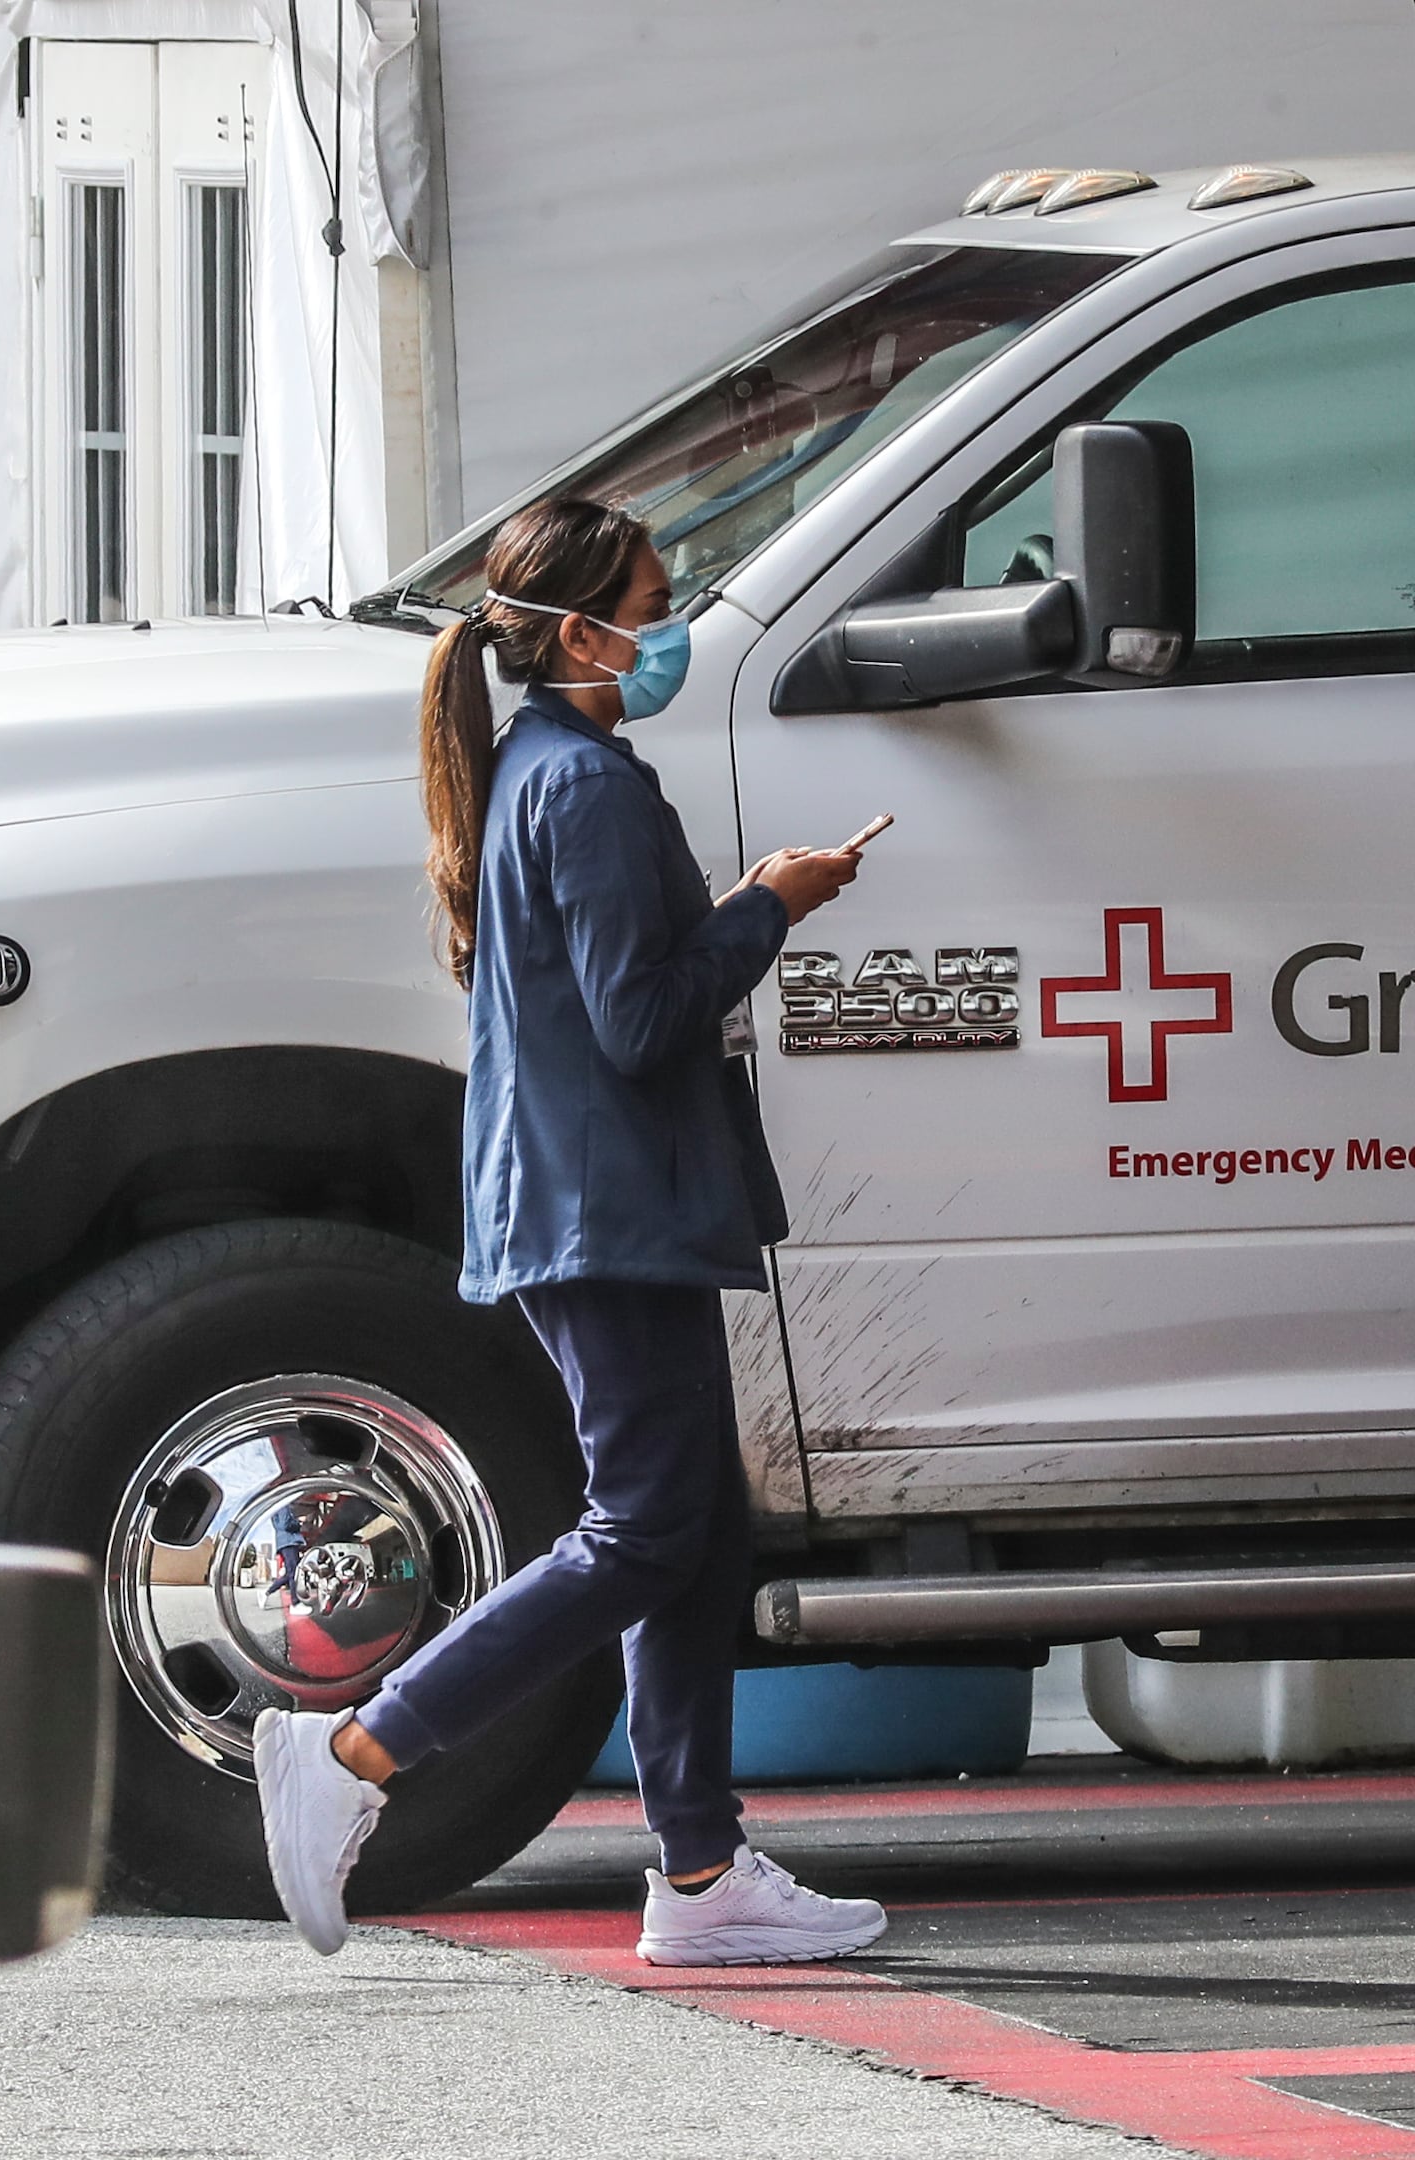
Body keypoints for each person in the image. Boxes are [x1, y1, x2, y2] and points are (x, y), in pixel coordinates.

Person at [254, 498, 883, 1967]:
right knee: (646, 1529)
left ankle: (701, 1870)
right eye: (658, 598)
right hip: (608, 1207)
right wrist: (772, 909)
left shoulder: (547, 768)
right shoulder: (586, 786)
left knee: (691, 1533)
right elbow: (644, 1015)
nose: (674, 622)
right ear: (585, 629)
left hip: (600, 1199)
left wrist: (730, 913)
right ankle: (356, 1752)